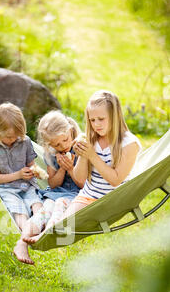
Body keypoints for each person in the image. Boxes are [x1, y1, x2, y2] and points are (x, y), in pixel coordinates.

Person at [23, 90, 142, 247]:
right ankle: (44, 235)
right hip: (87, 196)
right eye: (92, 120)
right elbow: (80, 178)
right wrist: (80, 156)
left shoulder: (129, 144)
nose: (96, 125)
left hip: (113, 199)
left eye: (101, 119)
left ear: (115, 116)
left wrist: (92, 156)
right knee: (61, 214)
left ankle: (44, 234)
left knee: (64, 219)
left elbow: (115, 179)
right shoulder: (91, 139)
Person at [13, 110, 86, 264]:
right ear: (49, 145)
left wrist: (71, 169)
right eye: (57, 145)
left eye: (65, 140)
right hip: (57, 192)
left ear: (70, 130)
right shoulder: (51, 153)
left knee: (59, 204)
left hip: (77, 194)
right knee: (45, 209)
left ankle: (46, 234)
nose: (63, 146)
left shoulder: (82, 147)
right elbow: (53, 184)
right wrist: (62, 168)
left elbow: (83, 183)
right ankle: (21, 243)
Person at [0, 103, 43, 251]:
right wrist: (18, 174)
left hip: (27, 184)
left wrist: (34, 171)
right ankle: (27, 234)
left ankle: (41, 228)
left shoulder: (25, 141)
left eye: (16, 135)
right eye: (9, 136)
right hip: (6, 188)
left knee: (36, 203)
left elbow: (31, 164)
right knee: (19, 210)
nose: (13, 139)